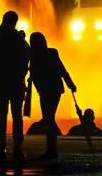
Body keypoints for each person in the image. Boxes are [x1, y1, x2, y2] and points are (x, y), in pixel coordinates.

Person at [0, 11, 29, 161]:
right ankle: (17, 148)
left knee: (1, 115)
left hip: (0, 81)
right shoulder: (18, 37)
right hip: (16, 82)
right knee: (17, 116)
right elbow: (27, 56)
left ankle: (0, 147)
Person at [28, 32, 76, 161]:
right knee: (49, 117)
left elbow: (60, 69)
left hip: (47, 90)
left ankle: (51, 150)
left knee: (48, 118)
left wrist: (70, 84)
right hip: (54, 89)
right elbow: (62, 70)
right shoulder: (51, 53)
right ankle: (51, 149)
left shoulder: (33, 55)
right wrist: (70, 84)